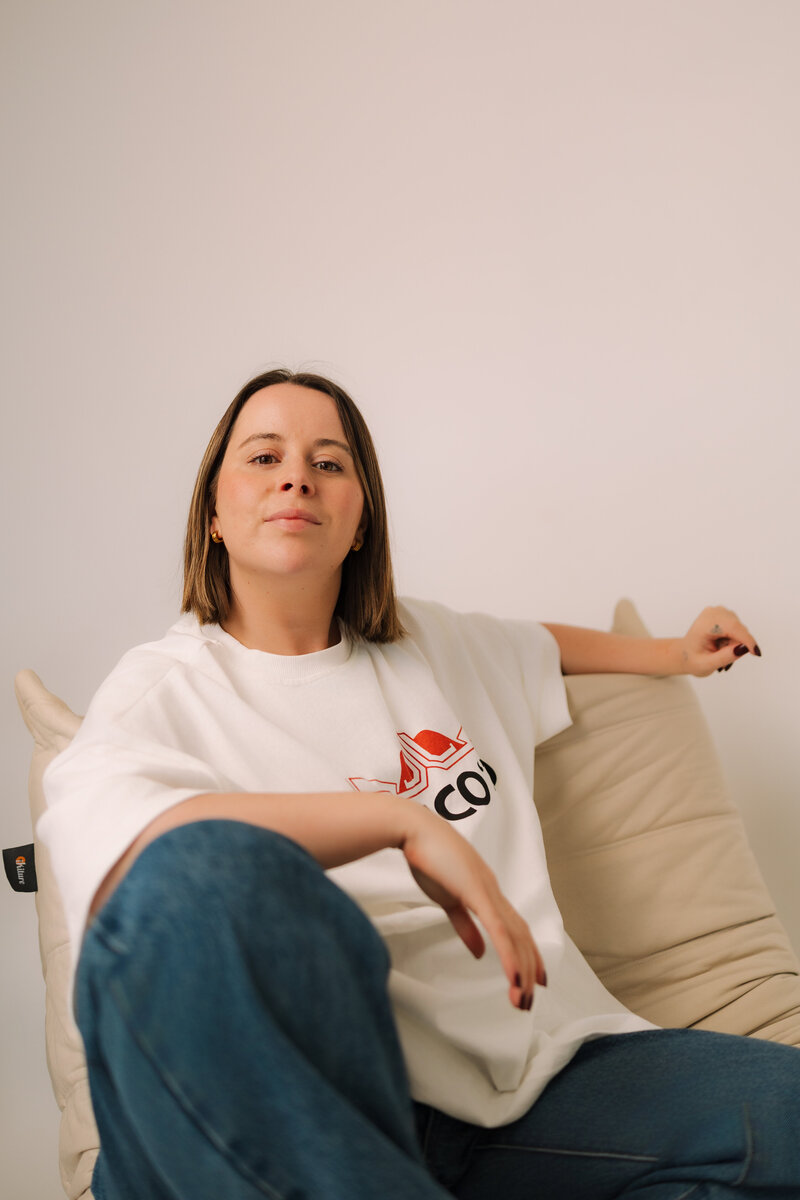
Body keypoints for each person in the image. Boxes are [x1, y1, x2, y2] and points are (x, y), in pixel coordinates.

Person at [40, 368, 799, 1200]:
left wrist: (671, 653)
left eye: (329, 463)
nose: (297, 475)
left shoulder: (432, 644)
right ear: (213, 514)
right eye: (264, 457)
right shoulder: (160, 691)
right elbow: (128, 850)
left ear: (361, 520)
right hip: (325, 1078)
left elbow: (533, 645)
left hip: (538, 1077)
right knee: (211, 868)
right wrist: (397, 821)